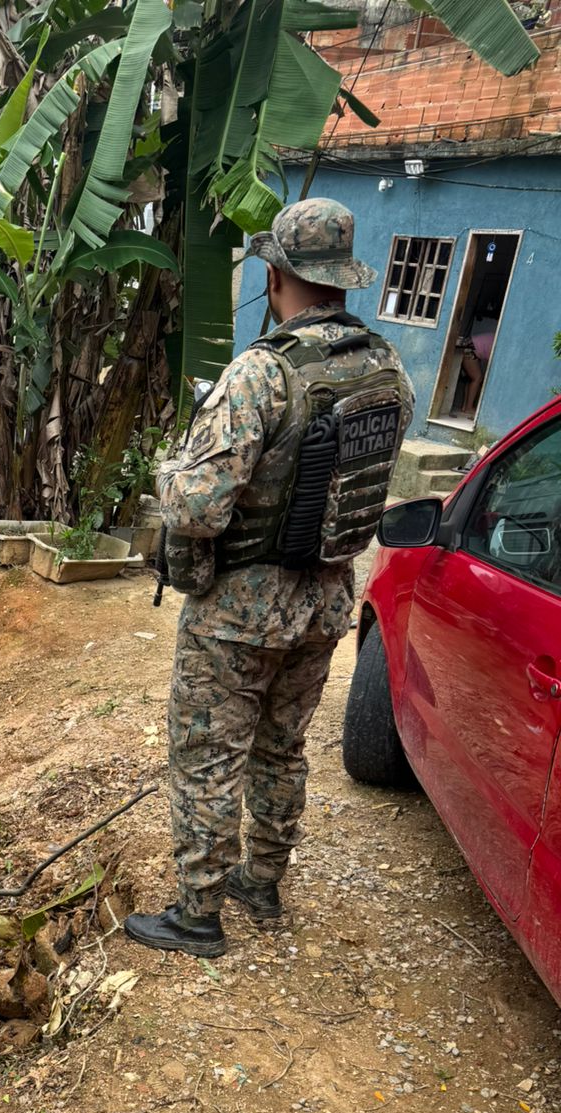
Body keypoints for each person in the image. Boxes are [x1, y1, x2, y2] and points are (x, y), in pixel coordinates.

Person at [125, 197, 415, 958]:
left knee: (207, 757)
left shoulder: (262, 372)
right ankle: (263, 880)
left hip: (239, 612)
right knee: (282, 749)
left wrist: (167, 471)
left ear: (276, 272)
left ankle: (198, 914)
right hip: (323, 601)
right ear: (342, 278)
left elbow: (198, 506)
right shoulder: (389, 369)